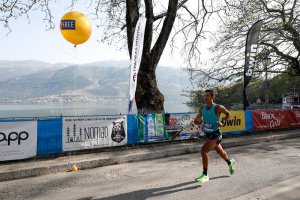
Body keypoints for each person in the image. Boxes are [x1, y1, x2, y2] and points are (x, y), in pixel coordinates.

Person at [194, 89, 235, 184]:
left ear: (212, 97)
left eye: (207, 96)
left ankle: (205, 175)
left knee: (204, 151)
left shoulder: (217, 107)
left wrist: (223, 122)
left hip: (216, 134)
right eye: (204, 96)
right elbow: (199, 118)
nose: (205, 97)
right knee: (220, 151)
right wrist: (198, 121)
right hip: (208, 134)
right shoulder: (202, 107)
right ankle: (230, 162)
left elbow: (228, 114)